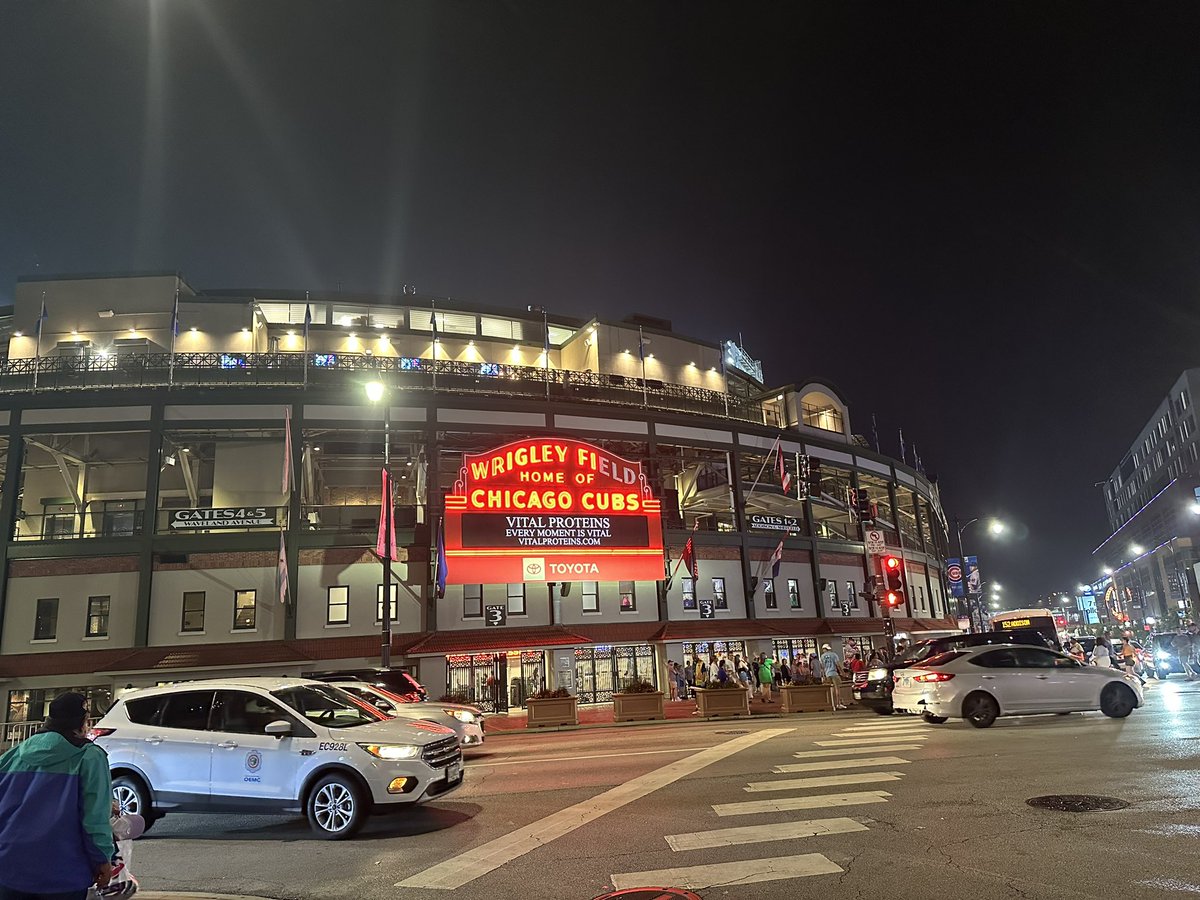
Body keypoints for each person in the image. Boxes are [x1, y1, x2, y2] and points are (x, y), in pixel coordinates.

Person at [0, 692, 114, 900]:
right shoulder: (89, 757)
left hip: (8, 868)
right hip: (63, 872)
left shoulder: (12, 755)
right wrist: (102, 858)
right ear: (82, 722)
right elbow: (94, 818)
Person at [819, 643, 847, 709]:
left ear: (824, 649)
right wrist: (842, 672)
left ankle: (832, 704)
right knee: (837, 689)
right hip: (834, 673)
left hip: (827, 674)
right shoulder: (834, 655)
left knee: (831, 689)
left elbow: (822, 667)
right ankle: (838, 704)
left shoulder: (822, 656)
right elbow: (838, 665)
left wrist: (823, 676)